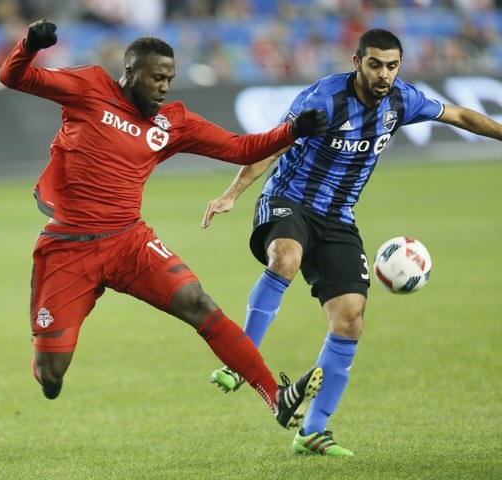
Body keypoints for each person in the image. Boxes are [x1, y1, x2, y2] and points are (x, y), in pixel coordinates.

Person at [0, 20, 330, 434]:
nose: (164, 87)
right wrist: (30, 45)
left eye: (170, 79)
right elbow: (14, 77)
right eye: (157, 77)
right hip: (68, 248)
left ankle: (275, 396)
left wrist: (292, 131)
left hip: (129, 242)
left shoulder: (173, 123)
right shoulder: (89, 87)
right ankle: (46, 364)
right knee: (52, 376)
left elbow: (239, 148)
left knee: (197, 301)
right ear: (130, 71)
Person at [202, 28, 502, 457]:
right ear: (357, 62)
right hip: (289, 199)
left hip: (338, 217)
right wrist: (232, 194)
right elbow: (272, 145)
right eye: (375, 65)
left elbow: (459, 116)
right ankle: (239, 360)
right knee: (285, 257)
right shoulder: (324, 99)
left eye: (392, 66)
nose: (384, 75)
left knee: (350, 319)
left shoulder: (402, 100)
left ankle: (313, 431)